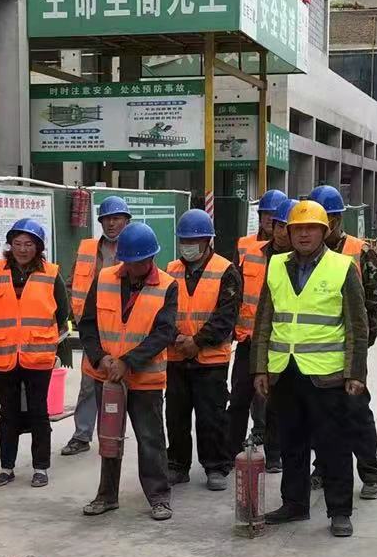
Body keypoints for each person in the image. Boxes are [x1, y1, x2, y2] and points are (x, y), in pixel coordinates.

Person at [252, 199, 369, 537]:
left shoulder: (342, 267)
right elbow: (264, 320)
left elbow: (357, 325)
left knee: (333, 445)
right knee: (291, 442)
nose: (304, 235)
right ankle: (294, 503)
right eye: (298, 229)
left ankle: (340, 511)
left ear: (324, 231)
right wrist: (260, 368)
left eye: (311, 229)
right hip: (284, 371)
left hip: (326, 375)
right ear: (288, 233)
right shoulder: (276, 265)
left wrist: (355, 373)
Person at [80, 222, 179, 521]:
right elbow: (87, 324)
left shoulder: (167, 285)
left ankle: (159, 497)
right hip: (107, 376)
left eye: (140, 262)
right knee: (109, 437)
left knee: (150, 439)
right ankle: (107, 495)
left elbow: (163, 333)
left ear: (151, 258)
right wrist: (101, 358)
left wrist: (128, 362)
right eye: (129, 262)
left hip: (144, 380)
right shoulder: (104, 279)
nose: (134, 268)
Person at [310, 184, 377, 499]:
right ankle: (322, 468)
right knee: (320, 412)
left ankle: (370, 473)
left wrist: (362, 342)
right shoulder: (305, 255)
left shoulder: (359, 250)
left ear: (337, 219)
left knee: (356, 410)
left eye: (326, 219)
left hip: (350, 349)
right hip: (317, 350)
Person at [0, 217, 72, 489]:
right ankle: (6, 467)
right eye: (18, 243)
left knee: (38, 412)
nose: (23, 249)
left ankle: (40, 467)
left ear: (38, 248)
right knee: (7, 412)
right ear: (10, 245)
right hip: (5, 354)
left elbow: (62, 312)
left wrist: (41, 336)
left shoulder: (50, 273)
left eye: (29, 244)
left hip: (38, 355)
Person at [166, 209, 241, 489]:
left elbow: (226, 316)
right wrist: (177, 338)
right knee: (176, 416)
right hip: (176, 356)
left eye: (193, 240)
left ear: (208, 240)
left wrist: (196, 342)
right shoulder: (170, 270)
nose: (187, 245)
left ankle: (216, 466)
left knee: (212, 416)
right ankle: (177, 464)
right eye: (183, 240)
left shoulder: (226, 271)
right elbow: (159, 311)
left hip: (210, 359)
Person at [61, 195, 133, 455]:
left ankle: (113, 434)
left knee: (124, 382)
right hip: (93, 327)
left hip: (125, 328)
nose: (111, 224)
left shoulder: (134, 247)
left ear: (126, 221)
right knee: (89, 382)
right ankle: (81, 435)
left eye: (117, 218)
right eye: (106, 219)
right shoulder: (88, 249)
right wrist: (75, 313)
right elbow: (72, 282)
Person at [228, 188, 291, 466]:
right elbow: (233, 290)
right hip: (248, 339)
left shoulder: (297, 256)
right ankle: (230, 451)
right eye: (267, 215)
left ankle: (275, 454)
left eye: (278, 219)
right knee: (239, 397)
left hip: (279, 340)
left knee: (276, 402)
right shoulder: (247, 249)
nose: (270, 221)